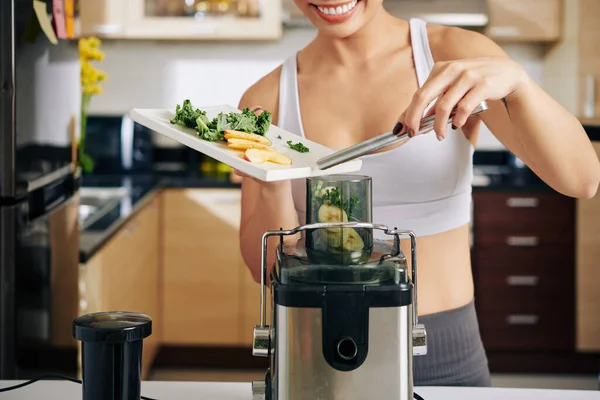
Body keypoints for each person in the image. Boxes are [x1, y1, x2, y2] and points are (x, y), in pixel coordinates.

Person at [234, 0, 600, 387]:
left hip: (444, 353)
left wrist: (519, 84)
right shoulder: (267, 97)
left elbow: (582, 179)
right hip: (314, 355)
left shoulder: (454, 55)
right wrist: (269, 182)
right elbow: (263, 269)